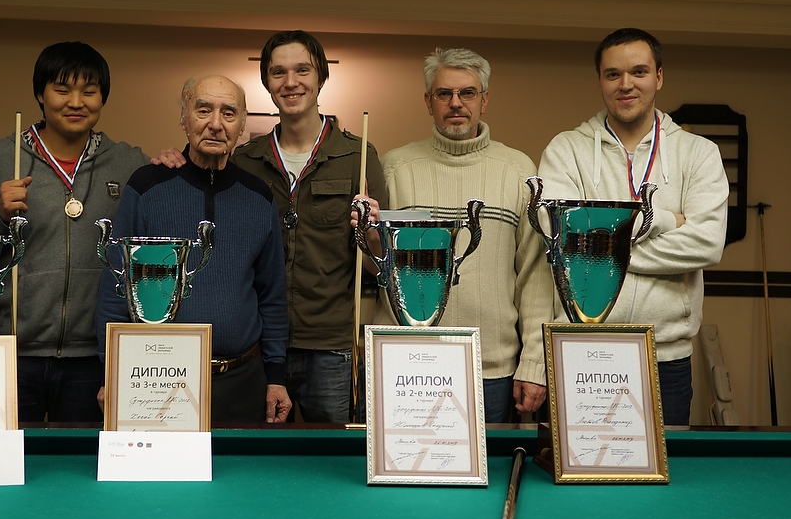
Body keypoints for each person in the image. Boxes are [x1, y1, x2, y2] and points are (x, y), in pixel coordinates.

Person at [538, 28, 729, 425]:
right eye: (613, 74)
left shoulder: (699, 153)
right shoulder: (566, 150)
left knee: (662, 467)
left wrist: (603, 246)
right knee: (583, 465)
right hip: (583, 348)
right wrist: (668, 221)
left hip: (666, 356)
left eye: (638, 72)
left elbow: (707, 244)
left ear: (658, 77)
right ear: (600, 81)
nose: (625, 84)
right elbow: (563, 236)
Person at [0, 42, 148, 423]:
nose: (76, 102)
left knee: (81, 458)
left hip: (93, 356)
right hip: (11, 351)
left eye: (89, 91)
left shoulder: (129, 164)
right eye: (62, 90)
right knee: (10, 456)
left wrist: (173, 161)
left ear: (102, 98)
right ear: (40, 94)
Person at [95, 75, 291, 424]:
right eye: (203, 110)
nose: (215, 124)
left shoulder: (259, 197)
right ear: (184, 118)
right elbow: (116, 286)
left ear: (242, 125)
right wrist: (110, 370)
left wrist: (276, 375)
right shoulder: (147, 188)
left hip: (242, 380)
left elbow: (272, 294)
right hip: (157, 378)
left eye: (228, 113)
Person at [380, 48, 555, 422]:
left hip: (492, 368)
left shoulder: (518, 170)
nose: (456, 103)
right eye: (444, 93)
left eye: (468, 93)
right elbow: (376, 266)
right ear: (428, 102)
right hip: (408, 364)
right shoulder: (394, 168)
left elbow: (536, 276)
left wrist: (535, 363)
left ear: (484, 100)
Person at [233, 30, 387, 423]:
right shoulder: (244, 162)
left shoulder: (358, 156)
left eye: (303, 70)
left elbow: (380, 266)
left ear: (321, 78)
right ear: (267, 82)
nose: (291, 82)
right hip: (260, 345)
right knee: (260, 452)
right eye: (278, 72)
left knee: (333, 454)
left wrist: (372, 234)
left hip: (331, 346)